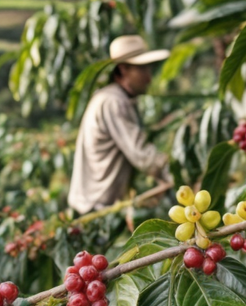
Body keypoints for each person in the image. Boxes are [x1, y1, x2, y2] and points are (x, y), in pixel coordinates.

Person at [67, 36, 171, 215]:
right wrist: (176, 173)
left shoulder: (112, 98)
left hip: (96, 205)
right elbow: (142, 156)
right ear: (123, 69)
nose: (148, 78)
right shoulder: (113, 102)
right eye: (142, 69)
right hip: (94, 209)